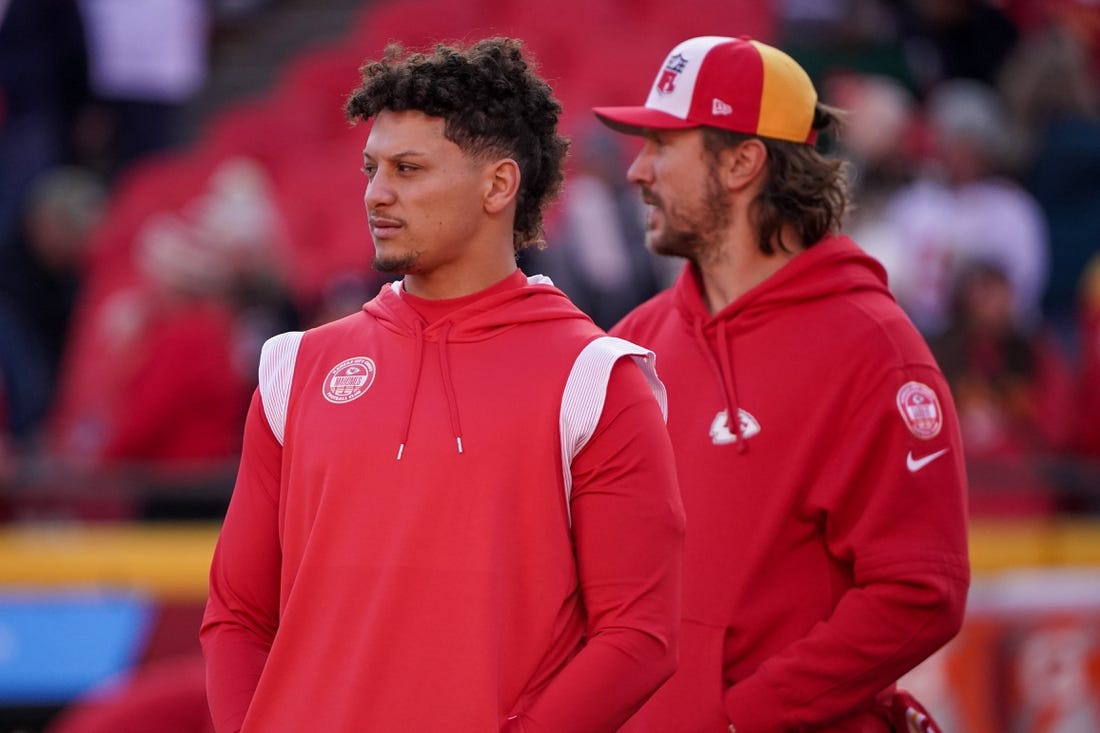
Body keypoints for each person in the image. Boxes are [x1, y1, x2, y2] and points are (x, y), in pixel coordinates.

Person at [200, 37, 685, 733]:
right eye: (371, 168)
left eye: (408, 168)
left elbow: (640, 635)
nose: (376, 193)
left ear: (498, 185)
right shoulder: (293, 366)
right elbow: (237, 614)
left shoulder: (597, 377)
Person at [592, 36, 970, 732]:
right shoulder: (630, 345)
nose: (637, 171)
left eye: (662, 145)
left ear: (742, 162)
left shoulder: (875, 349)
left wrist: (744, 717)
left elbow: (920, 590)